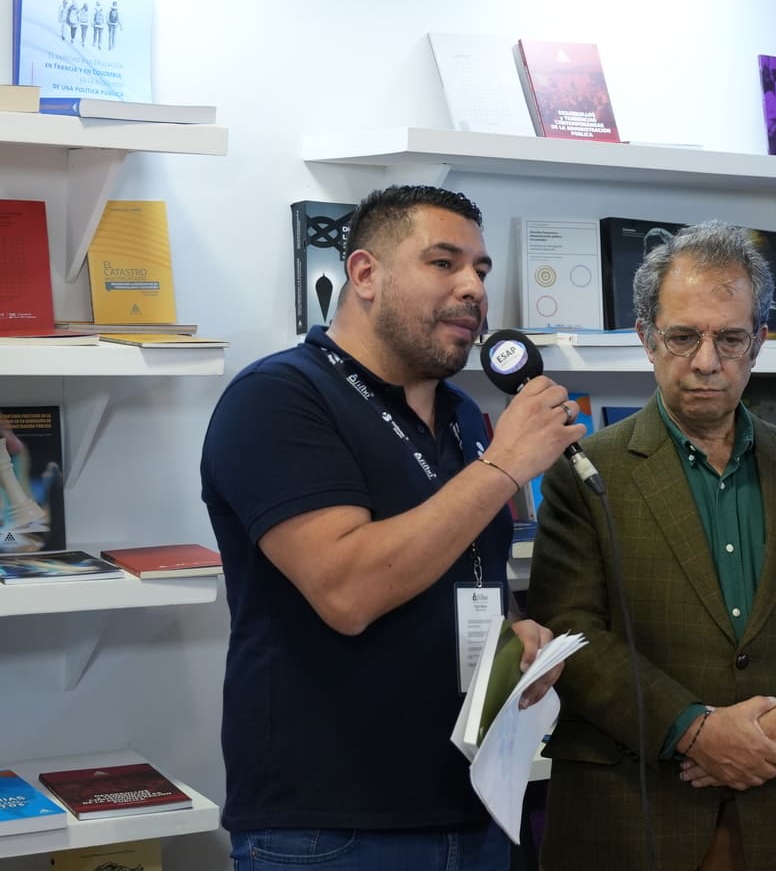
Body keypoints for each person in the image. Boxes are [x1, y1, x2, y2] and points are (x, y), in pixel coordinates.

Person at [200, 185, 583, 870]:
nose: (473, 287)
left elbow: (458, 575)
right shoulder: (278, 398)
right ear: (365, 273)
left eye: (482, 270)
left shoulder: (463, 417)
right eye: (444, 263)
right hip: (331, 828)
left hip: (476, 805)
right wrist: (503, 466)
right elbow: (347, 591)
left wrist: (514, 636)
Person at [527, 220, 776, 871]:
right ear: (646, 339)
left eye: (729, 338)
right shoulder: (585, 472)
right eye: (683, 337)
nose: (706, 361)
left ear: (759, 343)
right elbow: (572, 631)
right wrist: (694, 730)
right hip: (632, 808)